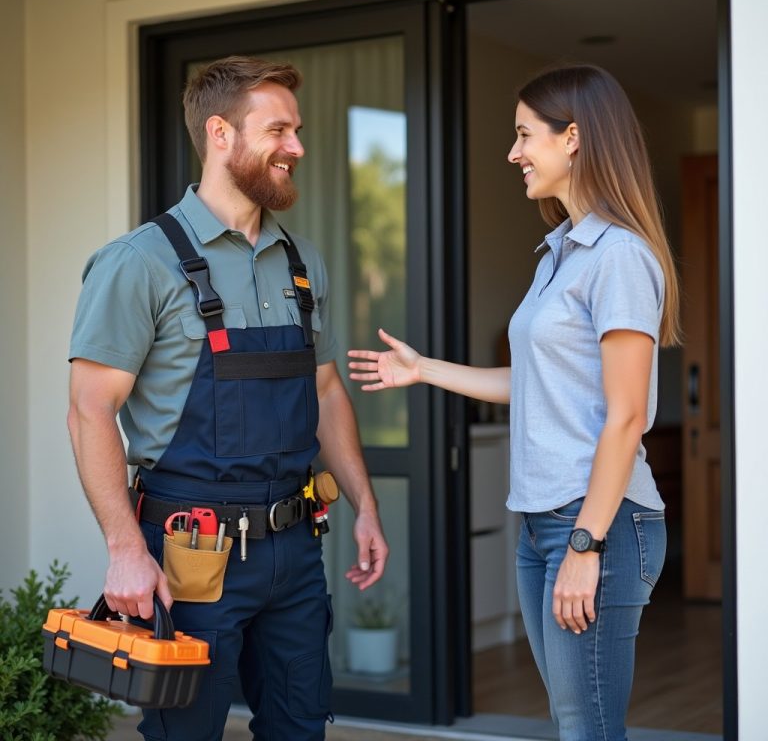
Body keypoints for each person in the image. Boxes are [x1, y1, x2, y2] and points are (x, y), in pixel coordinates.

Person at [348, 64, 679, 741]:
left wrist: (586, 544)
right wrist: (424, 370)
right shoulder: (558, 254)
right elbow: (530, 381)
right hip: (542, 521)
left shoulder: (619, 257)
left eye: (525, 135)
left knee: (586, 725)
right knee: (571, 718)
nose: (513, 152)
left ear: (575, 138)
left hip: (597, 526)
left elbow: (625, 416)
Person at [67, 55, 388, 741]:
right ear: (221, 134)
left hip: (296, 551)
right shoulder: (138, 262)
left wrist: (366, 506)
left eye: (297, 130)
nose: (297, 147)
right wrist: (125, 548)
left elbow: (326, 392)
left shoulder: (303, 264)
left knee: (300, 727)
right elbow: (89, 409)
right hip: (188, 555)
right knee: (185, 733)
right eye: (279, 131)